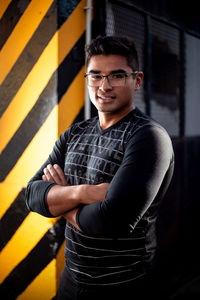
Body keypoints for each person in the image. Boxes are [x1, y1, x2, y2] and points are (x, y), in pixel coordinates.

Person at [25, 35, 174, 299]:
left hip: (125, 284)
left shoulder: (148, 137)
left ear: (137, 80)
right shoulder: (74, 134)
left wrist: (60, 199)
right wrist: (82, 193)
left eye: (116, 76)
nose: (104, 86)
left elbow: (110, 222)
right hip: (71, 280)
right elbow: (33, 195)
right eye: (95, 76)